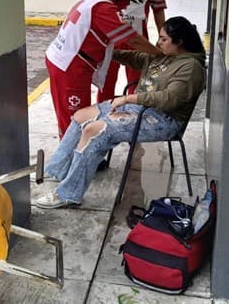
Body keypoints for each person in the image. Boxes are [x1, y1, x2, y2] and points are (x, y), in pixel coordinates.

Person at [35, 16, 206, 209]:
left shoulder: (191, 68)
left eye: (164, 39)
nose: (158, 42)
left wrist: (128, 98)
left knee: (95, 131)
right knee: (80, 116)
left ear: (180, 42)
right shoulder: (164, 56)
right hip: (140, 109)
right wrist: (105, 51)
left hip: (161, 120)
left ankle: (68, 194)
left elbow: (168, 99)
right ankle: (57, 170)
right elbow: (134, 57)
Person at [45, 0, 163, 138]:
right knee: (77, 115)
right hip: (71, 66)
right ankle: (74, 155)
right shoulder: (103, 8)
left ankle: (70, 151)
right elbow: (133, 40)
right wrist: (161, 55)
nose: (128, 5)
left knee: (66, 111)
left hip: (61, 59)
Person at [84, 0, 167, 103]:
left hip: (137, 36)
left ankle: (132, 116)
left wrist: (163, 37)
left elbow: (158, 9)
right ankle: (104, 115)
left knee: (137, 82)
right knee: (106, 81)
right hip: (109, 35)